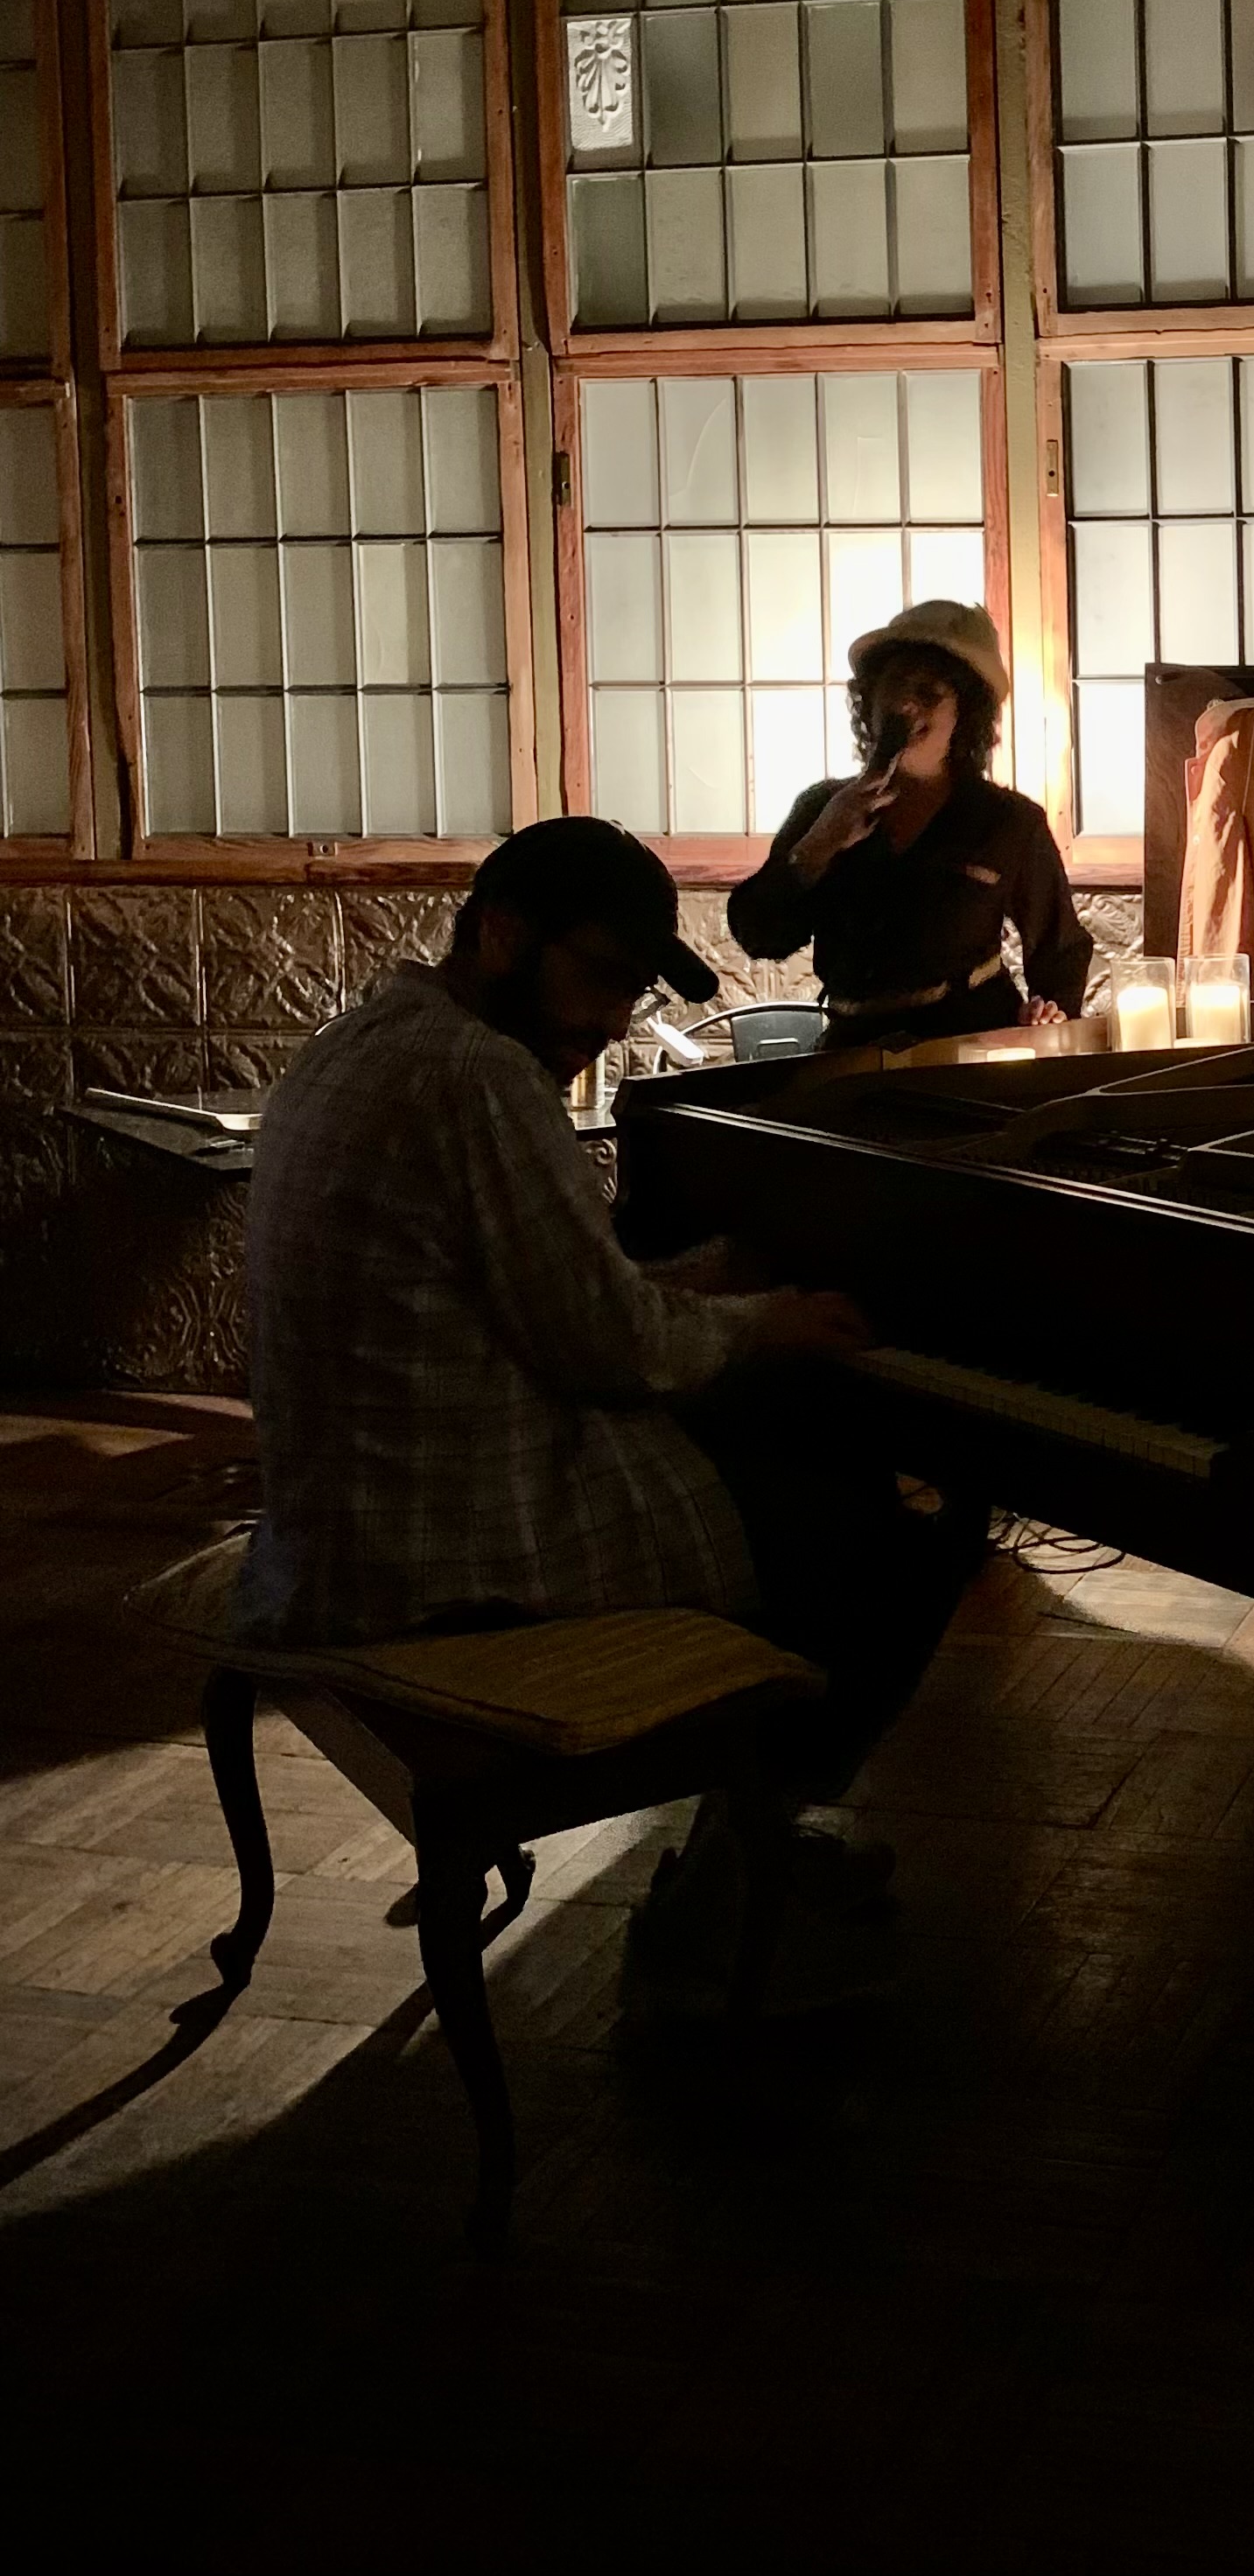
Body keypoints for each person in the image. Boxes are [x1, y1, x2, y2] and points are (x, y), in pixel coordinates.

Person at [235, 816, 985, 2010]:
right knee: (891, 1535)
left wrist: (710, 1289)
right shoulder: (482, 1074)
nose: (602, 1020)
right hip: (452, 1538)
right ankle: (744, 1853)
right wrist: (767, 1317)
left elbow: (534, 1297)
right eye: (595, 977)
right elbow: (608, 1342)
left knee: (788, 1459)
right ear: (499, 933)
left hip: (350, 1507)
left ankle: (747, 1827)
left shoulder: (369, 1039)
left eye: (627, 991)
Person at [729, 599, 1091, 1049]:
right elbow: (761, 935)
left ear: (964, 715)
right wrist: (821, 843)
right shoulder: (822, 806)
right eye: (895, 685)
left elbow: (1060, 950)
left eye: (928, 693)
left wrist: (1050, 1011)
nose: (905, 705)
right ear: (870, 695)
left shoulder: (1007, 820)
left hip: (971, 1046)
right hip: (853, 1052)